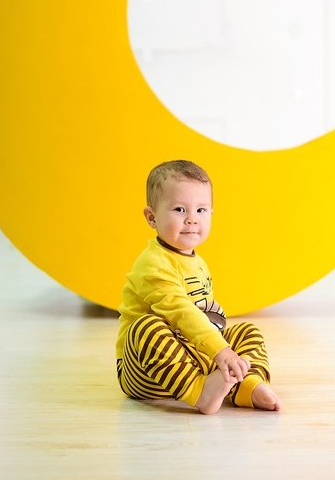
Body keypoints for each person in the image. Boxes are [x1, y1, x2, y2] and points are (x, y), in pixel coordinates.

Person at [116, 160, 281, 414]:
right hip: (148, 369)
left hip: (193, 356)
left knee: (248, 331)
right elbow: (182, 312)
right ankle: (200, 392)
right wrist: (221, 352)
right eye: (180, 209)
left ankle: (246, 385)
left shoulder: (198, 262)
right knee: (145, 327)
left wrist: (223, 351)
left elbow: (206, 317)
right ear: (152, 217)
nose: (192, 219)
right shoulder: (153, 264)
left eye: (201, 210)